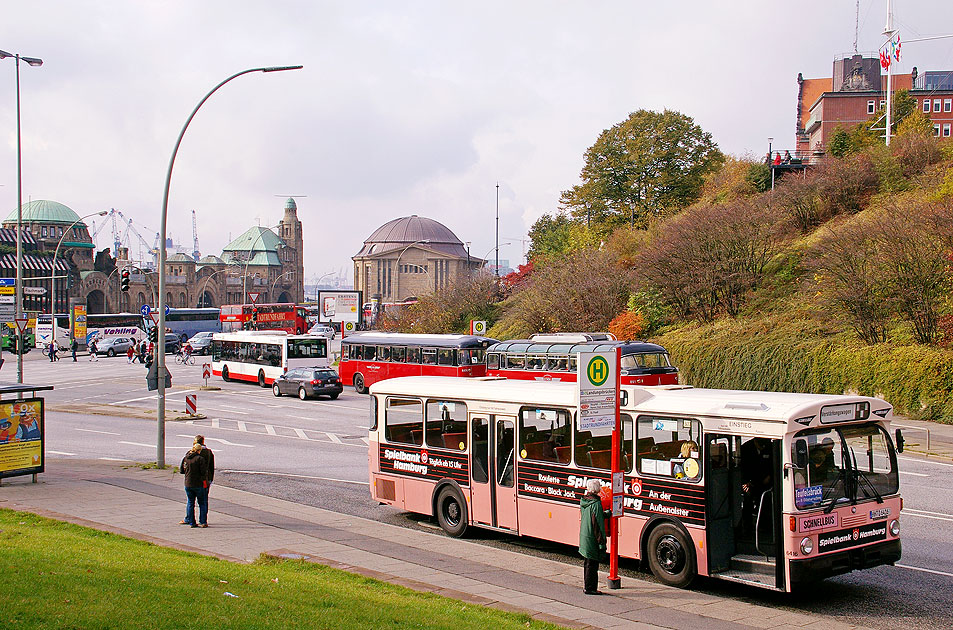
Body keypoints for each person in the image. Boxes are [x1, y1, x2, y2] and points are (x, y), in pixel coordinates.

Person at [578, 478, 609, 595]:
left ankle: (587, 586)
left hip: (585, 537)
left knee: (587, 564)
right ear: (597, 489)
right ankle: (590, 588)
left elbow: (592, 516)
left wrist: (605, 514)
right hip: (592, 539)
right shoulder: (596, 503)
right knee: (592, 566)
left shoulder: (585, 501)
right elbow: (598, 525)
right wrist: (602, 543)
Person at [740, 438, 773, 535]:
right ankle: (747, 528)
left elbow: (773, 463)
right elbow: (742, 468)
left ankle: (765, 526)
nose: (762, 448)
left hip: (764, 481)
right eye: (760, 447)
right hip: (749, 481)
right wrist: (745, 482)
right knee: (747, 499)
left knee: (765, 500)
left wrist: (770, 476)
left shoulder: (769, 447)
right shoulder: (745, 448)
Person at [179, 443, 208, 528]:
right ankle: (203, 522)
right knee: (202, 503)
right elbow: (203, 472)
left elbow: (181, 470)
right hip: (198, 484)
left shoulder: (185, 458)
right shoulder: (200, 459)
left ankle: (192, 522)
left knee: (190, 502)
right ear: (199, 451)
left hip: (188, 484)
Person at [193, 434, 214, 527]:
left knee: (190, 501)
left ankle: (189, 519)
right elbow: (211, 467)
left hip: (194, 480)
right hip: (206, 479)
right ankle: (203, 521)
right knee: (204, 501)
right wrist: (210, 478)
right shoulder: (209, 452)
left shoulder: (192, 453)